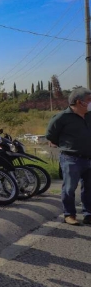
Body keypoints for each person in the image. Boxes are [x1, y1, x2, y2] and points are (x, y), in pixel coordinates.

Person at [45, 87, 91, 226]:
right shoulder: (61, 118)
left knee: (89, 188)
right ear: (79, 102)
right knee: (69, 188)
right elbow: (51, 135)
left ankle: (88, 214)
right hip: (71, 159)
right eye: (89, 100)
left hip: (89, 158)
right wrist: (66, 145)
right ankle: (69, 214)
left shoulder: (90, 116)